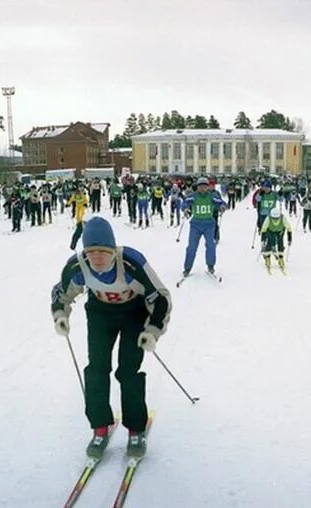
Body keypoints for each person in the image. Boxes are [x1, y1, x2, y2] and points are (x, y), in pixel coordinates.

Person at [50, 217, 171, 459]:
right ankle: (100, 426)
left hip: (133, 313)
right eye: (91, 251)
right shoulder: (78, 266)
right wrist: (60, 316)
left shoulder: (131, 262)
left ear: (113, 250)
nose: (97, 257)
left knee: (128, 371)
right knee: (96, 368)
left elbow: (160, 298)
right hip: (100, 313)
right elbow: (60, 294)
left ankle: (136, 428)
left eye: (103, 251)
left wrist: (152, 330)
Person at [181, 177, 226, 276]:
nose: (202, 188)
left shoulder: (212, 196)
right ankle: (187, 268)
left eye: (205, 186)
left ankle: (210, 266)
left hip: (209, 225)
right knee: (191, 247)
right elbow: (185, 203)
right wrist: (185, 209)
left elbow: (221, 202)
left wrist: (222, 206)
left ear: (208, 187)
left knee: (211, 245)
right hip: (196, 225)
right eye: (200, 186)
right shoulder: (193, 196)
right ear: (197, 187)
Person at [260, 207, 293, 274]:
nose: (275, 220)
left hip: (280, 231)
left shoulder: (283, 218)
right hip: (270, 231)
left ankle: (281, 258)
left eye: (276, 218)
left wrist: (289, 238)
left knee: (280, 242)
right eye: (274, 218)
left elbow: (289, 228)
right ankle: (267, 257)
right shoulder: (268, 219)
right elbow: (263, 228)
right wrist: (263, 239)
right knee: (270, 242)